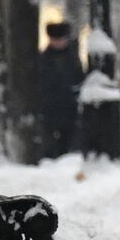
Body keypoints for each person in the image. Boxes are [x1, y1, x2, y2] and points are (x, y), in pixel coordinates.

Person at [40, 21, 84, 159]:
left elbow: (79, 79)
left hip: (70, 109)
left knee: (69, 144)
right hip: (49, 110)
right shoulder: (43, 60)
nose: (58, 42)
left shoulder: (73, 59)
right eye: (55, 39)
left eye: (61, 39)